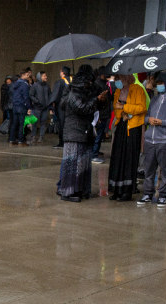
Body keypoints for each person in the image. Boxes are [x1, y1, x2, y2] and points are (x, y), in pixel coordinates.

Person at [58, 66, 104, 202]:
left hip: (83, 131)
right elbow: (81, 108)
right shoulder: (73, 93)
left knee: (82, 163)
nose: (90, 84)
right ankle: (69, 191)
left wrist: (98, 100)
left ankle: (80, 189)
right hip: (74, 132)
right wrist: (96, 100)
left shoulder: (82, 92)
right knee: (73, 163)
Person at [137, 71, 166, 208]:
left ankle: (163, 196)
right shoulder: (154, 99)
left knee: (165, 170)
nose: (159, 86)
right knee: (149, 169)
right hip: (150, 139)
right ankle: (147, 193)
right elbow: (146, 116)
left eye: (161, 83)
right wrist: (149, 120)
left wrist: (162, 122)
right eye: (158, 83)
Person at [108, 75, 148, 201]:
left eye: (120, 78)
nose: (118, 81)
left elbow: (142, 107)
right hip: (121, 126)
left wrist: (125, 108)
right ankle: (117, 190)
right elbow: (116, 106)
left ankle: (127, 191)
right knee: (118, 157)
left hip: (133, 127)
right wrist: (122, 112)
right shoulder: (118, 91)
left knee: (129, 158)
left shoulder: (138, 89)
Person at [91, 68, 113, 163]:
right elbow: (95, 102)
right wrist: (97, 116)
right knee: (98, 135)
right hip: (100, 114)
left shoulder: (105, 84)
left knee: (100, 135)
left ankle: (96, 151)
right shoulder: (97, 85)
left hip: (104, 113)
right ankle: (94, 154)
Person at [50, 67, 72, 148]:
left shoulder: (60, 82)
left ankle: (62, 142)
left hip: (61, 107)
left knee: (61, 124)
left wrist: (51, 106)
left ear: (62, 73)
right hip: (72, 107)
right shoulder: (73, 81)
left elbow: (55, 95)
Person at [9, 69, 32, 146]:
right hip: (22, 106)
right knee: (22, 124)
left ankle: (12, 140)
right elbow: (26, 97)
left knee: (14, 123)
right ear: (23, 75)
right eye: (27, 75)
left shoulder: (16, 84)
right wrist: (29, 107)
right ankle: (21, 141)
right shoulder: (24, 84)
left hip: (15, 106)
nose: (28, 76)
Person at [29, 71, 51, 144]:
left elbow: (50, 95)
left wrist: (49, 105)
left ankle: (41, 137)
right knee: (34, 123)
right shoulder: (35, 86)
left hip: (45, 108)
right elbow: (31, 95)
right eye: (44, 76)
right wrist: (37, 101)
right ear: (40, 77)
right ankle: (33, 136)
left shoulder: (47, 86)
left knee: (43, 123)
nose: (46, 77)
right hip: (36, 108)